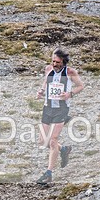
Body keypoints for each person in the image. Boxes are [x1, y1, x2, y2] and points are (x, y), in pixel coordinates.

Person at [35, 49, 85, 185]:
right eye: (53, 61)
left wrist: (70, 93)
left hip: (61, 109)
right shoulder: (48, 69)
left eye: (57, 62)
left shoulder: (70, 72)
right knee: (42, 141)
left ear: (63, 61)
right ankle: (63, 149)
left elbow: (81, 86)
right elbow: (46, 83)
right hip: (47, 107)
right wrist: (41, 91)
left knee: (52, 140)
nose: (54, 64)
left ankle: (49, 173)